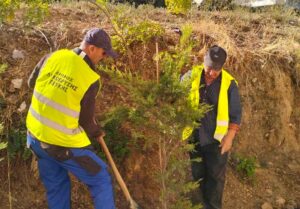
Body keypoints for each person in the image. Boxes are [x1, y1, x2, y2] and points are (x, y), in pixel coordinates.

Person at [26, 28, 118, 209]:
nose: (104, 57)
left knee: (57, 186)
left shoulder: (53, 56)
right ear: (92, 48)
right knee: (101, 178)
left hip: (35, 138)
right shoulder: (90, 78)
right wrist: (96, 131)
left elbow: (32, 83)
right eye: (103, 52)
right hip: (62, 145)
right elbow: (86, 122)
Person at [182, 45, 242, 209]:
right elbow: (178, 99)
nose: (212, 73)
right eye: (209, 68)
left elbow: (236, 114)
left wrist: (229, 138)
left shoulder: (229, 84)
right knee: (198, 174)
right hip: (194, 138)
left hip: (217, 141)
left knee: (215, 179)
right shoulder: (191, 76)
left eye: (216, 69)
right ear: (204, 62)